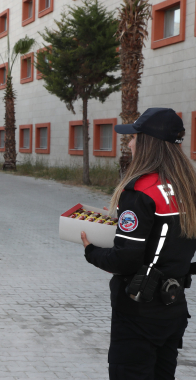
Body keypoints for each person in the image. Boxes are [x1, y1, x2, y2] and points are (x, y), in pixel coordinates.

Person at [81, 108, 196, 380]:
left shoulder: (140, 190)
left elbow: (126, 259)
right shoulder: (188, 187)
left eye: (134, 137)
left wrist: (91, 251)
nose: (129, 143)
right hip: (174, 308)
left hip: (138, 311)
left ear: (148, 143)